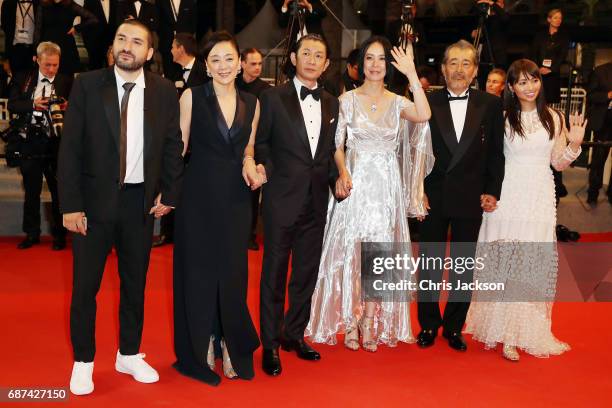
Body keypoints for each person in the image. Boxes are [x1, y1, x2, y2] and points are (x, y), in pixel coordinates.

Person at [58, 19, 184, 395]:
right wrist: (71, 204)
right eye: (122, 39)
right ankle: (83, 361)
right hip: (93, 205)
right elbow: (71, 149)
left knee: (135, 284)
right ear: (113, 46)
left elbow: (172, 145)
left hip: (139, 202)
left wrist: (170, 191)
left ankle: (128, 353)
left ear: (149, 52)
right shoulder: (86, 85)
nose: (128, 46)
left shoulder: (163, 91)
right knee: (85, 288)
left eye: (137, 41)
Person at [305, 37, 433, 352]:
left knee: (378, 254)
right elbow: (336, 144)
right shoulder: (346, 99)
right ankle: (351, 321)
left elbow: (424, 114)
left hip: (385, 187)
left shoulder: (398, 101)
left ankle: (370, 321)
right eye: (369, 58)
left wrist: (413, 75)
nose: (375, 65)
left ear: (389, 66)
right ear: (361, 64)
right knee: (351, 251)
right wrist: (343, 173)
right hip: (355, 182)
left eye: (381, 59)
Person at [465, 59, 584, 361]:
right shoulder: (502, 118)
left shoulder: (554, 118)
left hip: (539, 195)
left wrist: (575, 145)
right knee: (504, 260)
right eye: (522, 82)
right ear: (511, 87)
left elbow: (557, 162)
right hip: (507, 194)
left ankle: (519, 331)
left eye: (533, 80)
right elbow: (492, 159)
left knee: (528, 261)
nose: (529, 87)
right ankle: (500, 330)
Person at [173, 31, 263, 386]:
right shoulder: (191, 97)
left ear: (240, 63)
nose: (224, 66)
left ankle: (230, 343)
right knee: (198, 274)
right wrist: (166, 192)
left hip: (237, 200)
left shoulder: (253, 104)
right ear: (206, 67)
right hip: (197, 196)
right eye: (216, 60)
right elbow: (178, 149)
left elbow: (248, 148)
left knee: (232, 274)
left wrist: (252, 164)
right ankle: (201, 345)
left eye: (229, 58)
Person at [256, 33, 339, 377]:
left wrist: (338, 180)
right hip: (281, 200)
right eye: (305, 53)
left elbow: (330, 150)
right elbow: (261, 144)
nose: (311, 59)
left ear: (326, 64)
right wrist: (266, 171)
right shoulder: (272, 98)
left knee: (305, 273)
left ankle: (294, 334)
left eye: (318, 55)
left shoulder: (333, 102)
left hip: (317, 201)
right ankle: (271, 344)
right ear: (293, 57)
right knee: (273, 275)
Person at [416, 40, 505, 352]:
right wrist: (417, 191)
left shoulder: (491, 105)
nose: (458, 69)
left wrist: (492, 190)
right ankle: (428, 323)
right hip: (433, 195)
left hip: (471, 196)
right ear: (443, 68)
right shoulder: (426, 102)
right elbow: (414, 152)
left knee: (463, 266)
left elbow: (496, 153)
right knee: (429, 263)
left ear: (475, 70)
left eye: (465, 63)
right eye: (452, 62)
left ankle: (454, 327)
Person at [8, 41, 72, 250]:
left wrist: (67, 107)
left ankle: (60, 235)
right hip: (30, 142)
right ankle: (31, 233)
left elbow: (79, 108)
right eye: (47, 65)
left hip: (55, 143)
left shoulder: (66, 81)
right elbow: (13, 104)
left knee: (59, 192)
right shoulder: (23, 78)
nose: (52, 69)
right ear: (37, 61)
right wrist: (33, 104)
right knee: (31, 191)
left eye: (55, 65)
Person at [152, 32, 206, 248]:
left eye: (173, 47)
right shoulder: (172, 70)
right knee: (170, 178)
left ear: (181, 48)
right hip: (173, 138)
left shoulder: (204, 72)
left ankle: (189, 232)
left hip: (197, 143)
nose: (171, 51)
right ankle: (167, 232)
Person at [236, 47, 272, 251]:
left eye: (260, 63)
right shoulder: (233, 84)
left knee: (251, 194)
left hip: (255, 147)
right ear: (242, 64)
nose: (257, 67)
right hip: (233, 144)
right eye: (253, 63)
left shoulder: (266, 90)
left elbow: (266, 124)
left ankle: (249, 234)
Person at [35, 0, 98, 76]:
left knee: (65, 80)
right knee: (46, 79)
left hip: (66, 49)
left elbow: (93, 19)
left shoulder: (71, 5)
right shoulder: (43, 5)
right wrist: (35, 51)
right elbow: (38, 30)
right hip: (47, 49)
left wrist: (77, 28)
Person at [530, 9, 569, 105]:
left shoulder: (564, 37)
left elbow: (562, 55)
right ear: (549, 19)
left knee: (550, 100)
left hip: (553, 73)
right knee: (537, 98)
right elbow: (533, 52)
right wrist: (538, 68)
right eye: (555, 18)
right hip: (538, 72)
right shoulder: (540, 35)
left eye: (560, 18)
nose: (558, 20)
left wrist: (551, 69)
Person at [586, 62, 612, 206]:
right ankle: (593, 193)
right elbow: (590, 95)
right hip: (604, 121)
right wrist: (608, 95)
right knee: (599, 158)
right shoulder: (601, 71)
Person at [156, 0, 198, 80]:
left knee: (184, 71)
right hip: (166, 43)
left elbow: (193, 24)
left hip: (185, 44)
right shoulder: (161, 2)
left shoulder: (190, 2)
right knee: (169, 72)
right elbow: (158, 22)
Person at [1, 0, 39, 74]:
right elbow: (5, 27)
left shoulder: (38, 3)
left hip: (34, 50)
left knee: (32, 79)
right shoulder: (8, 3)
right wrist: (6, 58)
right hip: (15, 49)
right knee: (16, 78)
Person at [82, 0, 118, 70]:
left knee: (112, 70)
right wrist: (88, 44)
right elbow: (84, 24)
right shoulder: (89, 2)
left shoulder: (115, 2)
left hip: (111, 44)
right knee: (95, 71)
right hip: (94, 45)